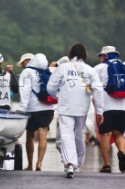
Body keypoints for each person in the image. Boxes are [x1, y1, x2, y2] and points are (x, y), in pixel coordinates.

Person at [47, 43, 104, 178]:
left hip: (66, 106)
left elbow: (50, 88)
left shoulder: (63, 68)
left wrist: (58, 95)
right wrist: (100, 111)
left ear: (70, 54)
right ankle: (78, 163)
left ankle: (70, 163)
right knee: (79, 134)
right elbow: (98, 90)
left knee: (66, 134)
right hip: (82, 108)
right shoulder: (90, 70)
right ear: (85, 55)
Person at [94, 46, 125, 173]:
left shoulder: (99, 68)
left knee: (106, 134)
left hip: (106, 106)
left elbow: (90, 85)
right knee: (119, 133)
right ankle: (121, 151)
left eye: (101, 56)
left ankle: (107, 164)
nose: (100, 59)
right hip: (124, 107)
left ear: (105, 56)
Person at [18, 53, 55, 171]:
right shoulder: (48, 71)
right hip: (48, 108)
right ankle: (39, 163)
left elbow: (25, 91)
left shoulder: (26, 72)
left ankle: (30, 165)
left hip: (32, 109)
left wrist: (21, 109)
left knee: (30, 135)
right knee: (43, 134)